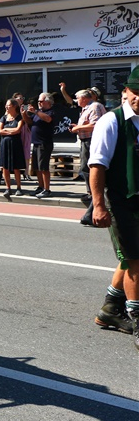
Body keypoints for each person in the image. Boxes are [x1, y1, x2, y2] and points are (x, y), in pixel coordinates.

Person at [88, 67, 139, 349]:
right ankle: (137, 319)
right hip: (121, 200)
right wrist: (98, 206)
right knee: (135, 259)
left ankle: (110, 309)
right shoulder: (112, 121)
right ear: (126, 92)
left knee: (128, 258)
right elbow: (97, 166)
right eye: (136, 94)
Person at [65, 85, 106, 203]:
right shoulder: (86, 108)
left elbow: (95, 125)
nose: (76, 101)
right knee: (85, 167)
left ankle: (95, 193)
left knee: (90, 167)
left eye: (77, 98)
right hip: (85, 140)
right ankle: (91, 192)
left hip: (92, 141)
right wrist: (77, 127)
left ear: (84, 98)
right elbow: (86, 125)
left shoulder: (94, 107)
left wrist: (78, 127)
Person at [27, 93, 55, 198]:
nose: (39, 103)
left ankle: (47, 189)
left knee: (43, 167)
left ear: (48, 102)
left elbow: (48, 119)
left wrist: (35, 111)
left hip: (44, 143)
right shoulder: (39, 113)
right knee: (37, 167)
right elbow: (30, 122)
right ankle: (40, 186)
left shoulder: (50, 112)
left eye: (41, 101)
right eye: (38, 101)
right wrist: (24, 114)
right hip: (36, 142)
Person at [0, 99, 26, 199]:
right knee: (5, 167)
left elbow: (18, 130)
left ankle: (18, 187)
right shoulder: (4, 118)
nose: (6, 107)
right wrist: (9, 131)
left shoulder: (19, 117)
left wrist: (6, 130)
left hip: (15, 144)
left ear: (14, 106)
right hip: (4, 144)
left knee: (16, 167)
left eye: (8, 105)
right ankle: (8, 187)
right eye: (6, 105)